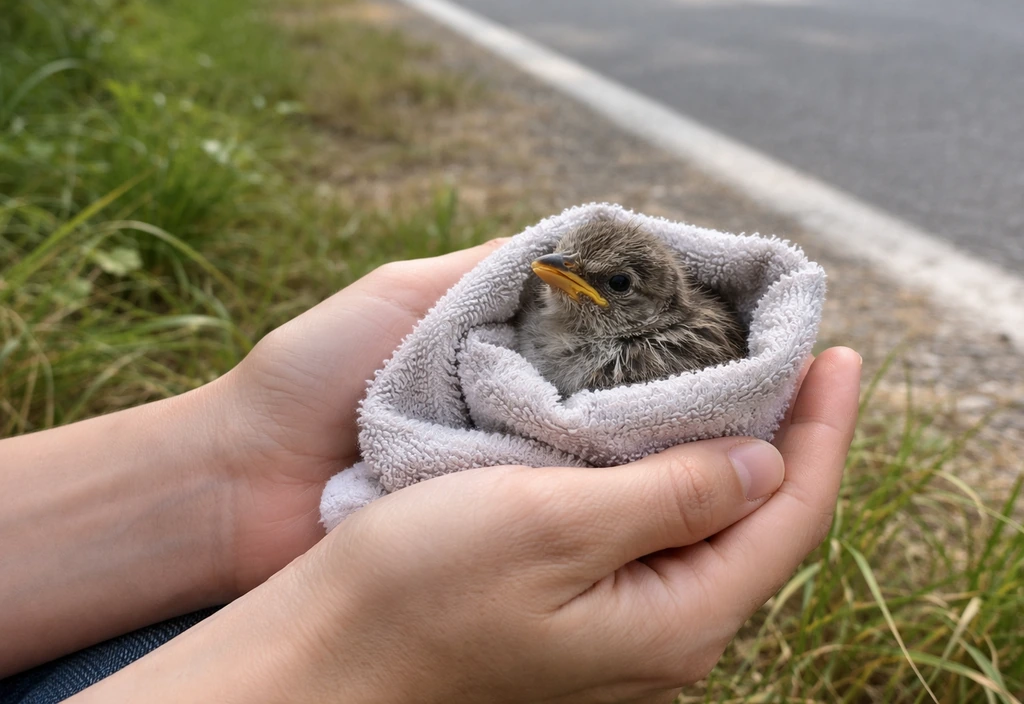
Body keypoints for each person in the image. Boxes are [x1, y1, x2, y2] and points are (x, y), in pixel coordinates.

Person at [0, 239, 861, 703]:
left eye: (615, 283)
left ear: (653, 295)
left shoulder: (676, 343)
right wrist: (369, 658)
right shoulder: (546, 317)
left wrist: (235, 463)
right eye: (562, 271)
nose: (561, 281)